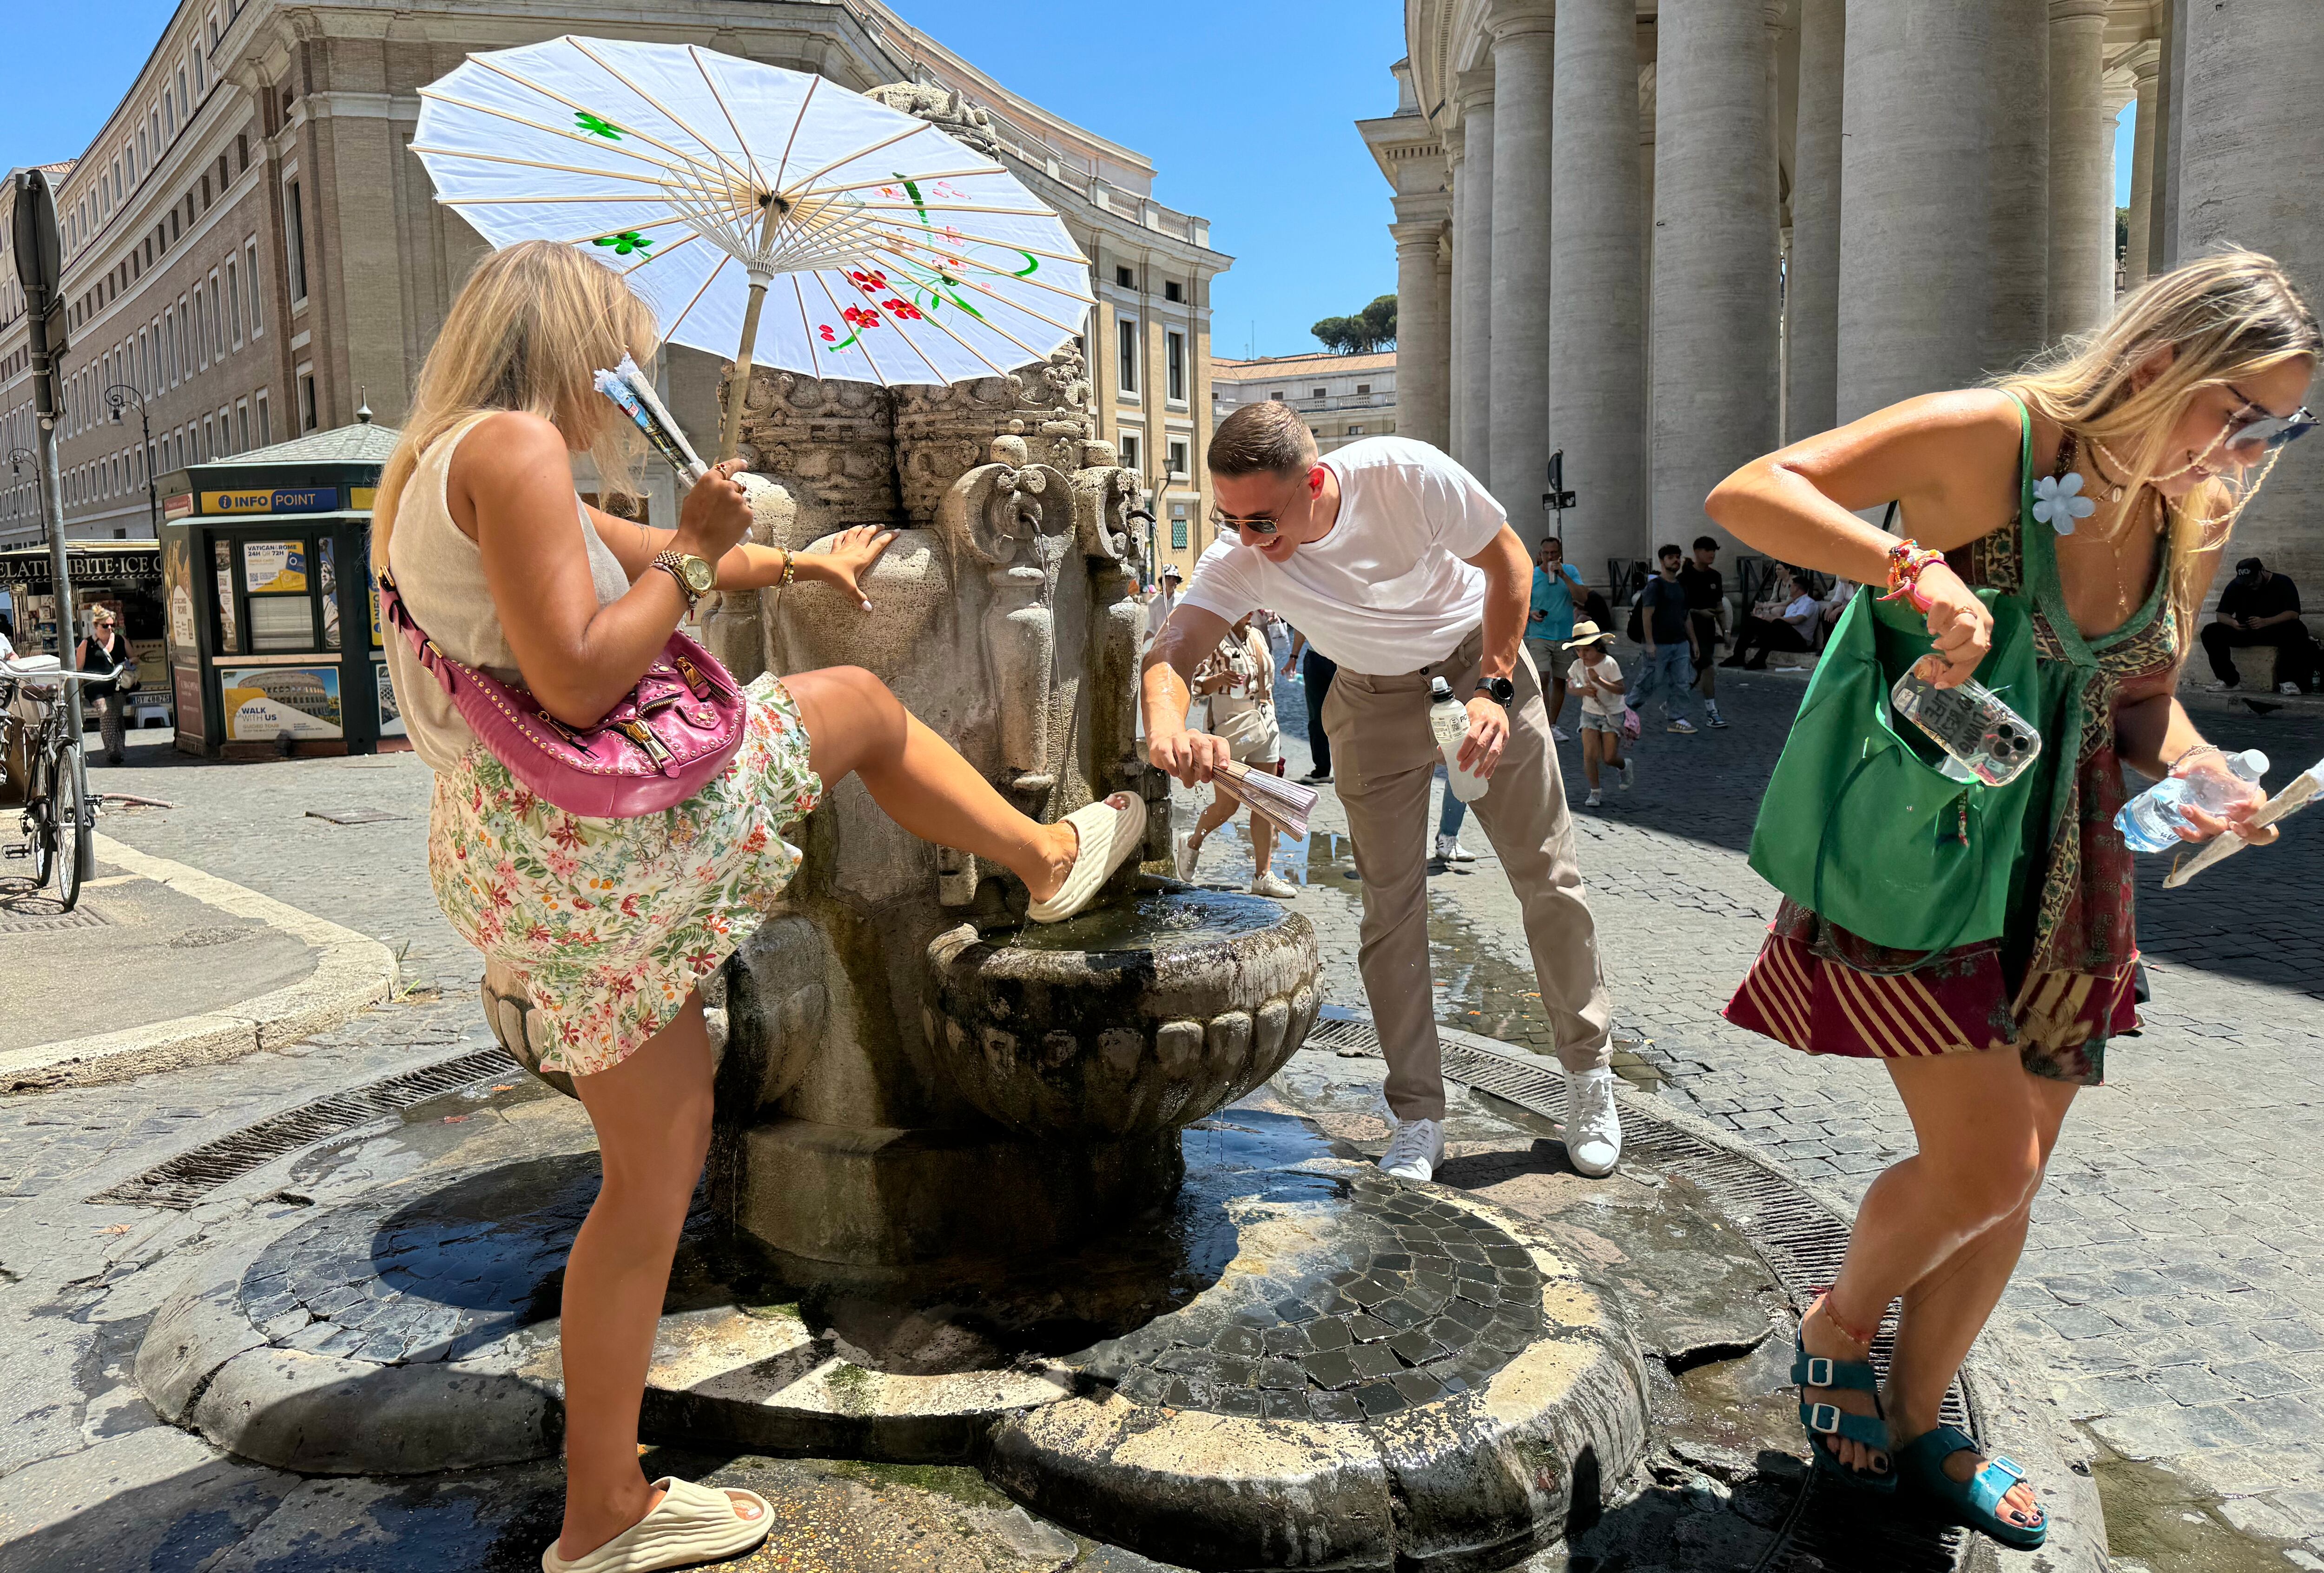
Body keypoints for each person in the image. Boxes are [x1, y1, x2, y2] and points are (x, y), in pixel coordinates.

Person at [372, 240, 1146, 1573]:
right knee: (850, 708)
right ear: (564, 338)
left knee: (653, 1179)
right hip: (591, 843)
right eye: (614, 342)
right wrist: (699, 552)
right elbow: (574, 676)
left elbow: (653, 565)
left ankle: (602, 1510)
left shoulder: (437, 462)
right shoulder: (511, 451)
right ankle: (1039, 858)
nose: (625, 371)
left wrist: (789, 568)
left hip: (520, 853)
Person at [1705, 249, 2313, 1550]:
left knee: (2007, 1188)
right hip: (1931, 852)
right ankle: (1836, 1326)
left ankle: (1926, 1422)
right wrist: (1909, 573)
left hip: (2069, 879)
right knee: (1989, 1163)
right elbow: (1755, 490)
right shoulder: (1993, 439)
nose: (2252, 448)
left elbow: (2145, 702)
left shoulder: (2191, 510)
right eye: (2240, 412)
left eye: (2283, 425)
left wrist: (2207, 778)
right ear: (2157, 366)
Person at [1143, 402, 1621, 1184]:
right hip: (1368, 698)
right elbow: (1174, 649)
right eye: (1230, 519)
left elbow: (1508, 564)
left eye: (1261, 519)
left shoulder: (1403, 474)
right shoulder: (1245, 554)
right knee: (1389, 910)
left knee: (1549, 880)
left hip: (1474, 663)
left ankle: (1589, 1075)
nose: (1246, 539)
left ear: (1317, 481)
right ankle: (1418, 1115)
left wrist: (1495, 689)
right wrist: (1167, 727)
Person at [1177, 613, 1300, 898]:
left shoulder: (1257, 636)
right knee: (1227, 807)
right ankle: (1193, 841)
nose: (1252, 609)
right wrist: (1219, 679)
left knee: (1266, 802)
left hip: (1264, 725)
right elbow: (1195, 686)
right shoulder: (1215, 638)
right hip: (1229, 730)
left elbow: (1267, 684)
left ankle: (1263, 875)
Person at [2201, 555, 2315, 692]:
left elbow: (2293, 614)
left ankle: (2287, 680)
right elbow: (2221, 615)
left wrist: (2266, 622)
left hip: (2273, 629)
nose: (2250, 584)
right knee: (2210, 632)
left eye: (2254, 580)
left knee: (2297, 629)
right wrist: (2233, 623)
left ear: (2263, 571)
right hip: (2245, 631)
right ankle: (2229, 681)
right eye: (2246, 582)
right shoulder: (2236, 586)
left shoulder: (2283, 582)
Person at [1623, 544, 1698, 734]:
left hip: (1680, 643)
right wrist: (1650, 643)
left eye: (1678, 557)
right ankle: (1627, 710)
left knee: (1682, 682)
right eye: (1671, 557)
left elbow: (1686, 616)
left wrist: (1694, 642)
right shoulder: (1655, 587)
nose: (1676, 561)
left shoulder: (1682, 586)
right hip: (1659, 643)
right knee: (1650, 681)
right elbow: (1646, 616)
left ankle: (1676, 718)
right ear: (1663, 561)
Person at [1562, 622, 1632, 808]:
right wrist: (1583, 690)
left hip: (1613, 714)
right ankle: (1595, 792)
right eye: (1578, 651)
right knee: (1589, 755)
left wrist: (1598, 681)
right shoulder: (1577, 666)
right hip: (1590, 713)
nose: (1582, 655)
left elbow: (1621, 689)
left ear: (1598, 646)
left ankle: (1623, 765)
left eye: (1587, 651)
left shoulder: (1609, 663)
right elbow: (1571, 688)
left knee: (1609, 757)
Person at [1529, 536, 1586, 739]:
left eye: (1554, 553)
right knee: (1542, 677)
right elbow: (1521, 602)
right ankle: (1543, 723)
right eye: (1547, 553)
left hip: (1564, 635)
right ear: (1540, 554)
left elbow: (1583, 597)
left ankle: (1552, 724)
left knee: (1560, 681)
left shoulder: (1570, 571)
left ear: (1559, 554)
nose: (1550, 556)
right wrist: (1530, 613)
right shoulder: (1532, 575)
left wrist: (1565, 577)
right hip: (1539, 634)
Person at [1722, 564, 1821, 668]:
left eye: (1790, 586)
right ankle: (1738, 656)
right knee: (1753, 621)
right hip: (1785, 636)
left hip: (1800, 641)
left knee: (1778, 624)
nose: (1789, 589)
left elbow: (1797, 620)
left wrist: (1774, 619)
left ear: (1797, 588)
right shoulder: (1792, 605)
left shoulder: (1809, 603)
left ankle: (1760, 659)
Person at [1679, 535, 1730, 728]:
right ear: (1697, 552)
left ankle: (1708, 711)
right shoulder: (1685, 578)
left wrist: (1726, 630)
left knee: (1704, 669)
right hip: (1687, 630)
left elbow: (1719, 605)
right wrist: (1699, 612)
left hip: (1708, 630)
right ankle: (1711, 711)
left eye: (1714, 551)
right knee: (1703, 669)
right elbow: (1681, 609)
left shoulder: (1715, 576)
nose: (1712, 554)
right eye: (1708, 550)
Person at [75, 608, 134, 766]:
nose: (109, 629)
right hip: (96, 689)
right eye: (105, 626)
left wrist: (127, 664)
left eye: (111, 625)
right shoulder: (87, 644)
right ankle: (112, 752)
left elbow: (134, 657)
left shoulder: (120, 640)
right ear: (96, 625)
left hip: (119, 686)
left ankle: (119, 749)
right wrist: (75, 691)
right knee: (107, 715)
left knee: (117, 717)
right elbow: (79, 668)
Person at [1284, 624, 1337, 783]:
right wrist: (1294, 657)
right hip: (1315, 658)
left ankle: (1352, 769)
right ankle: (1322, 769)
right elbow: (1302, 624)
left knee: (1349, 715)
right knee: (1317, 716)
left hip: (1343, 659)